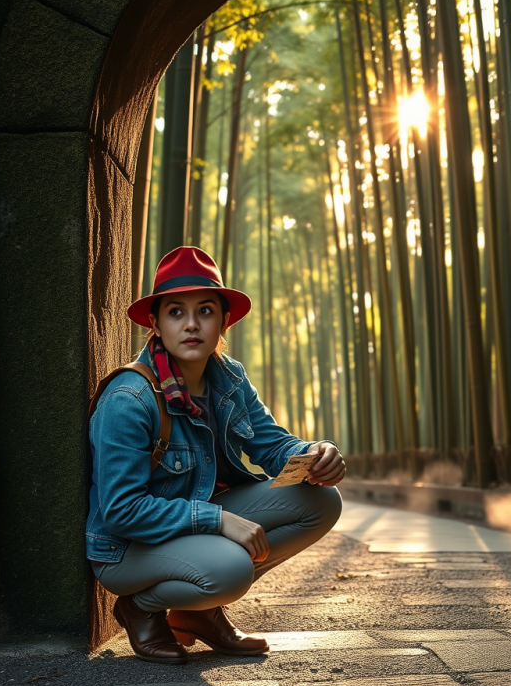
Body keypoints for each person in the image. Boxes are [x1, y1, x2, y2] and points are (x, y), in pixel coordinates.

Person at [86, 246, 346, 664]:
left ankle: (198, 613)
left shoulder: (228, 378)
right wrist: (218, 520)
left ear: (224, 320)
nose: (191, 324)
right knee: (231, 569)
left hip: (191, 526)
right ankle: (141, 606)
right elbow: (121, 511)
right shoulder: (129, 399)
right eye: (175, 312)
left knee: (320, 499)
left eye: (205, 311)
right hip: (127, 548)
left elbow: (272, 445)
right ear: (155, 323)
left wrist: (315, 453)